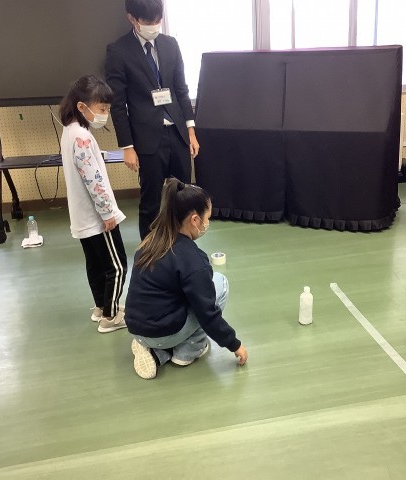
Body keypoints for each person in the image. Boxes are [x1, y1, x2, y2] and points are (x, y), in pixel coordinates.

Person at [125, 178, 248, 379]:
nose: (207, 223)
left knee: (187, 293)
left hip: (136, 327)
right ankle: (187, 351)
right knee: (220, 283)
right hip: (163, 332)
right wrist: (234, 344)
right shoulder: (193, 260)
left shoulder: (150, 241)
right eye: (207, 218)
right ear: (194, 220)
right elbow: (208, 314)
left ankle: (156, 352)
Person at [105, 0, 200, 241]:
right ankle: (149, 250)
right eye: (148, 22)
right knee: (151, 201)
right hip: (147, 138)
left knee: (183, 195)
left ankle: (183, 245)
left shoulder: (170, 44)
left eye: (158, 20)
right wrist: (127, 147)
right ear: (132, 18)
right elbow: (118, 103)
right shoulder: (118, 51)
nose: (154, 26)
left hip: (177, 132)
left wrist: (190, 130)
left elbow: (181, 89)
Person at [59, 75, 128, 334]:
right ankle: (111, 316)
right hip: (98, 217)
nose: (105, 115)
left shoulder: (70, 131)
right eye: (102, 108)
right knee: (117, 266)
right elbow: (93, 179)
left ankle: (101, 306)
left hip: (82, 217)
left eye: (108, 109)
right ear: (81, 106)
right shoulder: (83, 137)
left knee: (96, 264)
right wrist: (108, 213)